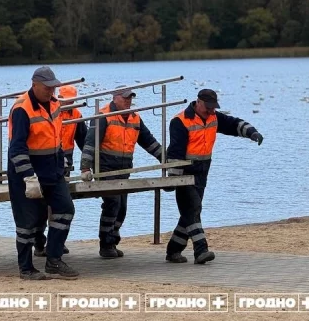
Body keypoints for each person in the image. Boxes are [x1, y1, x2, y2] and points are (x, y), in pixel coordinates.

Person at [164, 89, 263, 264]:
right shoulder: (179, 121)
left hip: (202, 172)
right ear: (198, 102)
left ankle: (173, 250)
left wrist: (252, 133)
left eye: (213, 107)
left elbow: (234, 124)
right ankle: (201, 250)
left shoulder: (214, 117)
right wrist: (172, 179)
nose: (211, 110)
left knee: (189, 213)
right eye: (208, 107)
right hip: (184, 174)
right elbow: (175, 152)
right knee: (193, 209)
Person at [7, 66, 78, 280]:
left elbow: (56, 135)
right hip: (28, 173)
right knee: (28, 222)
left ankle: (54, 260)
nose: (51, 91)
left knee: (65, 210)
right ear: (34, 84)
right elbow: (17, 147)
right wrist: (28, 176)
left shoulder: (55, 105)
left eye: (53, 87)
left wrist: (63, 158)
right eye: (47, 88)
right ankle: (26, 268)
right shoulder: (22, 109)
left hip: (53, 170)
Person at [80, 86, 163, 258]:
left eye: (130, 98)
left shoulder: (135, 118)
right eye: (125, 98)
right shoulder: (103, 116)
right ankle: (105, 244)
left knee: (122, 207)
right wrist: (85, 167)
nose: (128, 101)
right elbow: (90, 143)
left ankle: (112, 238)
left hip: (124, 169)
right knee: (112, 203)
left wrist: (165, 158)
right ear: (115, 98)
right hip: (105, 168)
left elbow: (149, 142)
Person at [33, 84, 86, 257]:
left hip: (65, 166)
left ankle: (56, 242)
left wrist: (88, 163)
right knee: (41, 206)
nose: (68, 104)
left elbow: (83, 141)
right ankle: (39, 242)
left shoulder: (76, 115)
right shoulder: (51, 111)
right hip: (45, 163)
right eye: (65, 101)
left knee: (60, 206)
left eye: (71, 102)